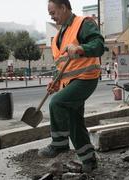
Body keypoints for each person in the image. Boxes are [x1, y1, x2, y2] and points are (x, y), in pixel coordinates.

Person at [39, 0, 104, 173]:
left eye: (53, 12)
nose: (51, 16)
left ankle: (59, 144)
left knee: (57, 103)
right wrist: (55, 82)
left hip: (86, 78)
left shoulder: (83, 23)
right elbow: (60, 66)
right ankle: (89, 161)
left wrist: (81, 48)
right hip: (70, 82)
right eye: (50, 13)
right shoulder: (57, 39)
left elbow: (99, 46)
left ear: (64, 7)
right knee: (75, 122)